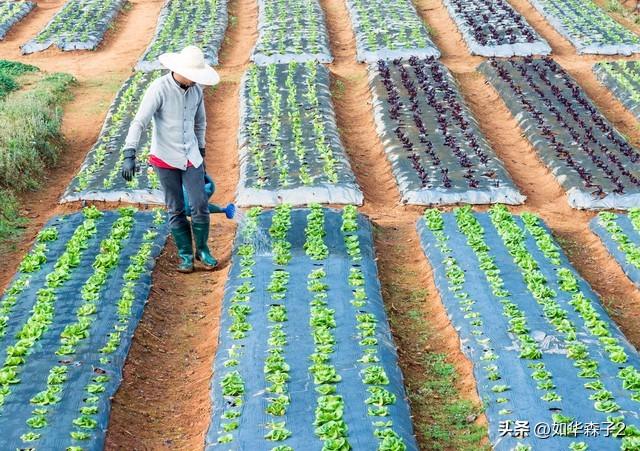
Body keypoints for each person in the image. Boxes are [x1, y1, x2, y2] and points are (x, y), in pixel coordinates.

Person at [121, 45, 220, 273]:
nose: (196, 80)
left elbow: (200, 123)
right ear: (180, 70)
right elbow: (139, 122)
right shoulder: (159, 89)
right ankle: (185, 255)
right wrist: (129, 153)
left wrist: (202, 152)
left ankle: (202, 250)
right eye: (193, 75)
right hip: (165, 158)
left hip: (191, 157)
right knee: (175, 208)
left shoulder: (196, 91)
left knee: (199, 204)